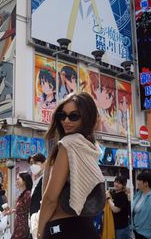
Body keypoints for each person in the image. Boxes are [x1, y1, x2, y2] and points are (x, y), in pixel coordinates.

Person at [37, 92, 104, 239]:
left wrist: (40, 232)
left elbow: (50, 199)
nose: (66, 121)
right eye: (62, 115)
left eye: (74, 116)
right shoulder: (90, 146)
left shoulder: (69, 144)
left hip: (63, 229)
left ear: (86, 117)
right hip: (85, 227)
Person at [132, 171, 151, 239]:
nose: (137, 182)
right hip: (137, 231)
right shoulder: (139, 194)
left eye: (139, 180)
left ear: (146, 184)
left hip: (146, 234)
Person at [9, 172, 33, 239]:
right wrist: (15, 210)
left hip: (23, 226)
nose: (16, 181)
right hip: (19, 225)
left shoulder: (27, 194)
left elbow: (29, 209)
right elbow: (24, 208)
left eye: (18, 179)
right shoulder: (23, 194)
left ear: (24, 181)